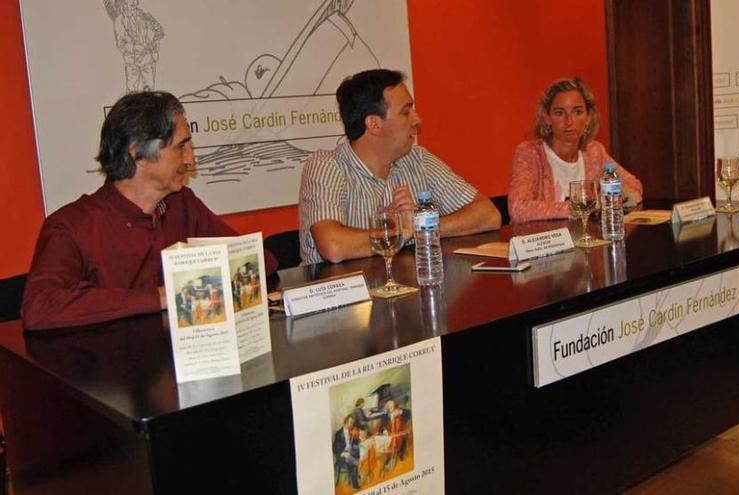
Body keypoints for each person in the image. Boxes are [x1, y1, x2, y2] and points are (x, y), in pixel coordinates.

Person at [21, 91, 277, 330]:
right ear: (138, 154)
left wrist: (199, 280)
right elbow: (39, 307)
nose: (191, 160)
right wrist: (159, 297)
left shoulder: (182, 204)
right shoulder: (71, 227)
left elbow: (259, 261)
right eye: (181, 147)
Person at [299, 69, 500, 264]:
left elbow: (489, 215)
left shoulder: (418, 159)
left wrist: (420, 225)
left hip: (405, 289)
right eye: (406, 112)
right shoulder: (326, 166)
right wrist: (399, 232)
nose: (417, 119)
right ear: (374, 124)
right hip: (344, 295)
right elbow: (333, 247)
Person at [507, 76, 643, 224]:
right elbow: (517, 209)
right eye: (560, 113)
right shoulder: (530, 153)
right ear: (546, 118)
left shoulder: (594, 152)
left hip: (589, 241)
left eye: (577, 112)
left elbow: (633, 186)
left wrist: (606, 200)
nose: (569, 121)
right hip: (547, 244)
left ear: (588, 118)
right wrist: (579, 207)